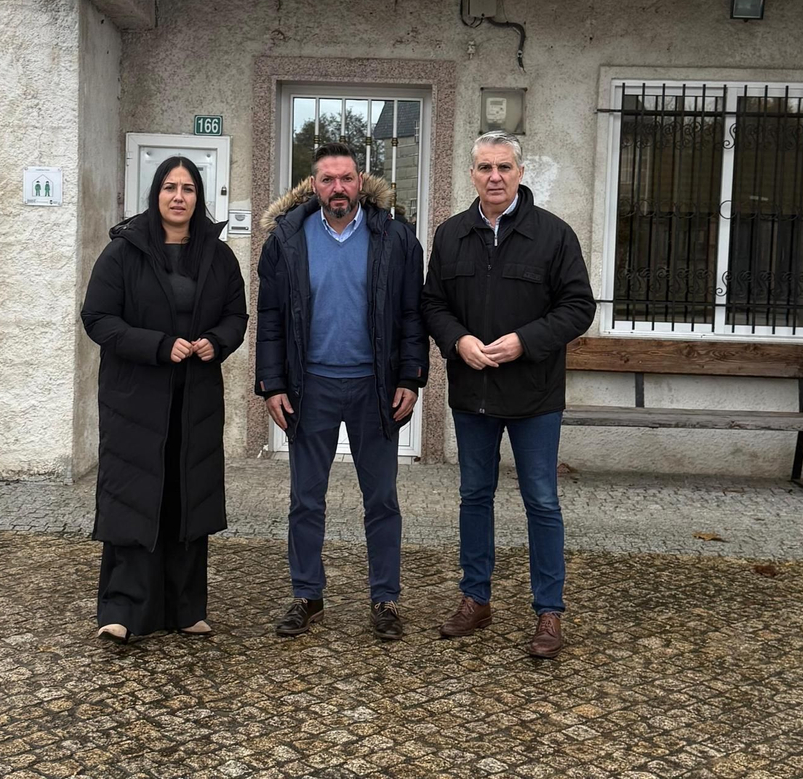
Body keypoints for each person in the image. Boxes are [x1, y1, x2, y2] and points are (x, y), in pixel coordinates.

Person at [420, 131, 595, 659]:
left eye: (503, 167)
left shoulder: (554, 235)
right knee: (474, 497)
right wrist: (457, 340)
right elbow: (432, 304)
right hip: (472, 393)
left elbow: (577, 307)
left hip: (534, 395)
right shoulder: (450, 236)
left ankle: (549, 611)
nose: (494, 176)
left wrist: (526, 342)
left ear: (520, 172)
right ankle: (476, 598)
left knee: (541, 501)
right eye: (484, 168)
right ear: (471, 174)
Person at [255, 142, 428, 641]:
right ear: (313, 186)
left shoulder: (395, 238)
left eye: (346, 178)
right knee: (306, 499)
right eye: (327, 180)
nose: (338, 188)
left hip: (375, 388)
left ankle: (386, 600)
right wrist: (272, 384)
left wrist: (410, 378)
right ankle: (307, 596)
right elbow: (269, 318)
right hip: (310, 388)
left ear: (361, 182)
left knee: (382, 499)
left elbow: (411, 314)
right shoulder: (287, 238)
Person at [80, 156, 248, 645]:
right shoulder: (124, 252)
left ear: (199, 197)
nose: (179, 197)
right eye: (170, 187)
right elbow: (98, 319)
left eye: (189, 188)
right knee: (135, 498)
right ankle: (122, 609)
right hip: (135, 400)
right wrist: (156, 345)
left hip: (194, 399)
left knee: (186, 498)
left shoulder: (218, 257)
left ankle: (186, 608)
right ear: (156, 194)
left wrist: (216, 341)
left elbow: (236, 315)